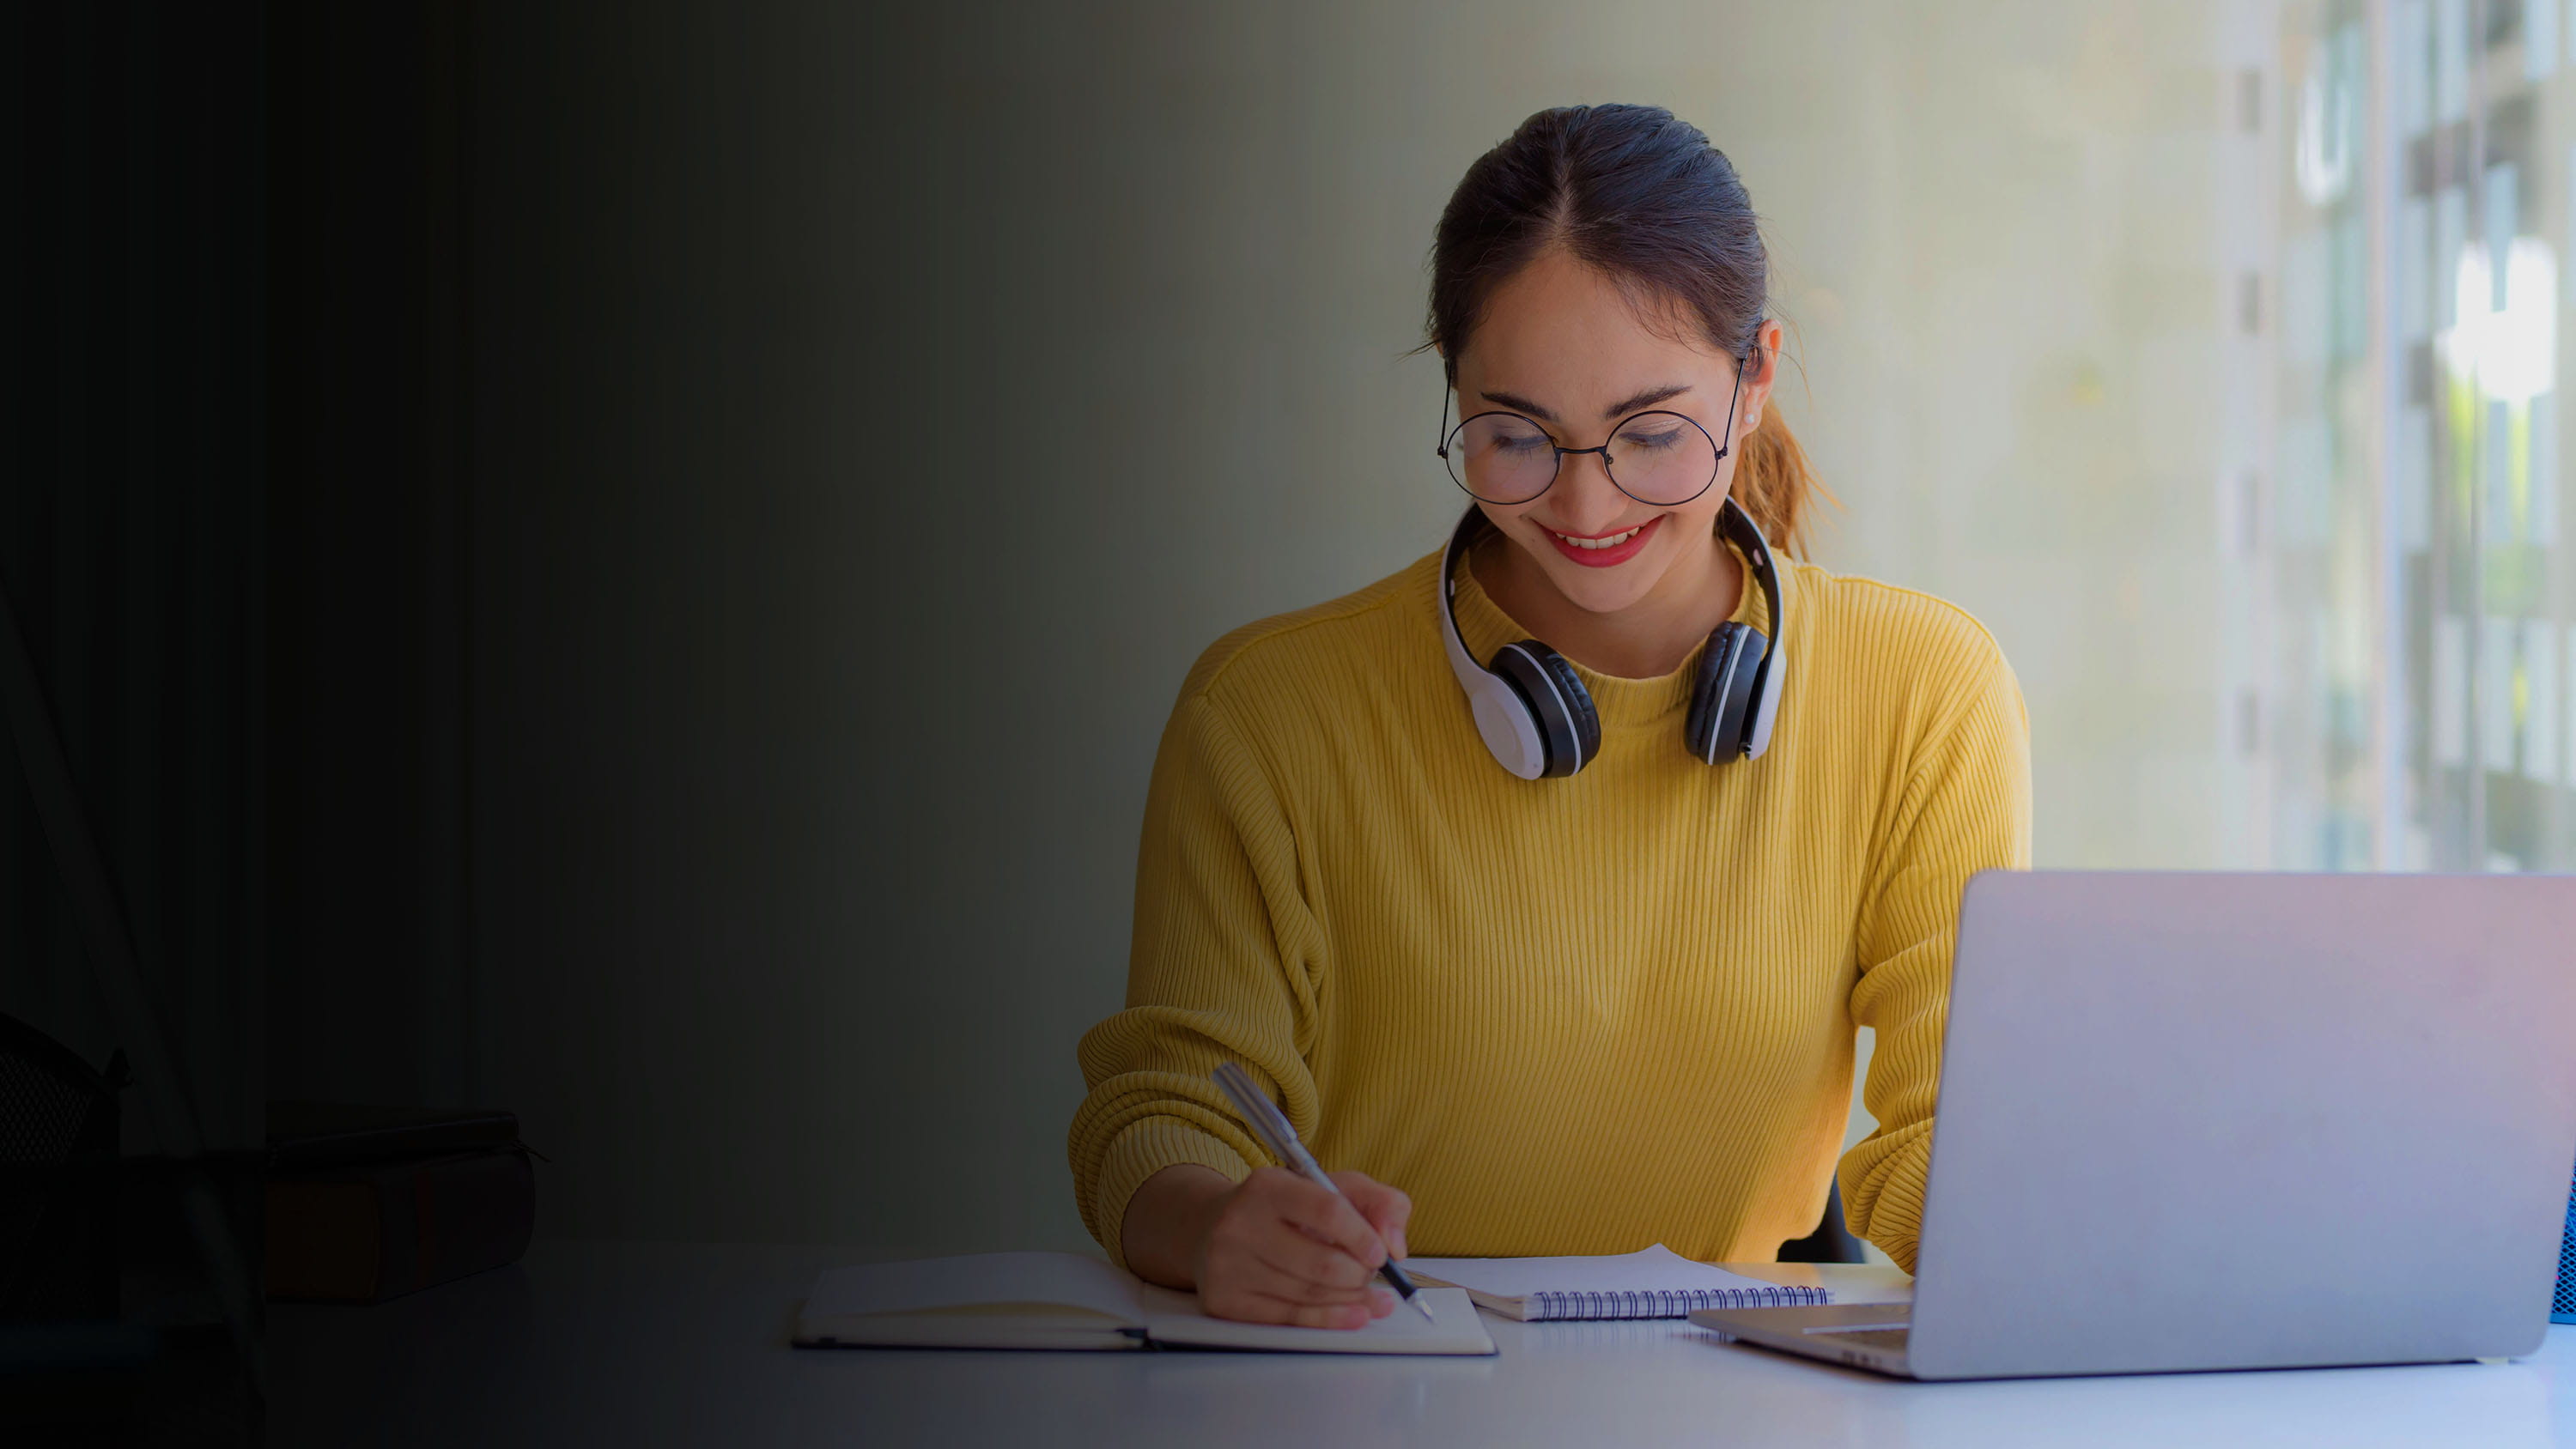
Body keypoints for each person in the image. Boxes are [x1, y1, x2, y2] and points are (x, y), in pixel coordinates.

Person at [1066, 103, 2031, 1329]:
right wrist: (1210, 1226)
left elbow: (1946, 1141)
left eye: (1653, 432)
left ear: (1758, 375)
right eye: (1516, 435)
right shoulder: (1266, 713)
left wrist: (2061, 1226)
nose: (1587, 504)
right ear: (1453, 388)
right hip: (1376, 1374)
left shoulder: (1924, 691)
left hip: (1733, 1395)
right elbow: (1162, 1109)